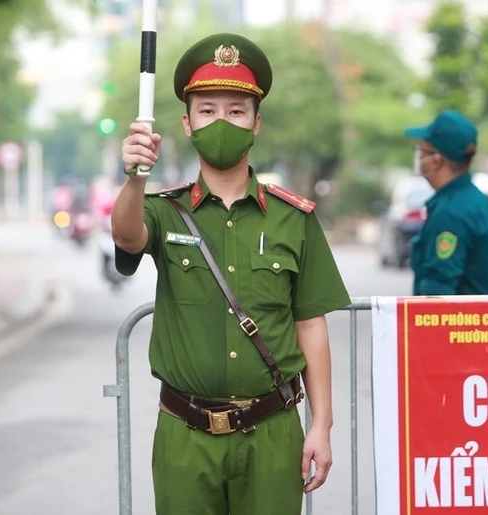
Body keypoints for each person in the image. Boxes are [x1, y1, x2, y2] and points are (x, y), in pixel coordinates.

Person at [110, 32, 351, 515]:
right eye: (208, 109)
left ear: (256, 123)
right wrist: (135, 177)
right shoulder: (163, 211)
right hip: (185, 435)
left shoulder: (294, 219)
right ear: (187, 122)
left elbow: (310, 325)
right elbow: (127, 235)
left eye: (236, 110)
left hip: (272, 434)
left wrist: (320, 424)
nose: (222, 121)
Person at [403, 109, 488, 295]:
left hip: (457, 323)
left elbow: (437, 295)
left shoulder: (449, 213)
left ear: (435, 161)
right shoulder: (487, 205)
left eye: (421, 151)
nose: (418, 157)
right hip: (486, 322)